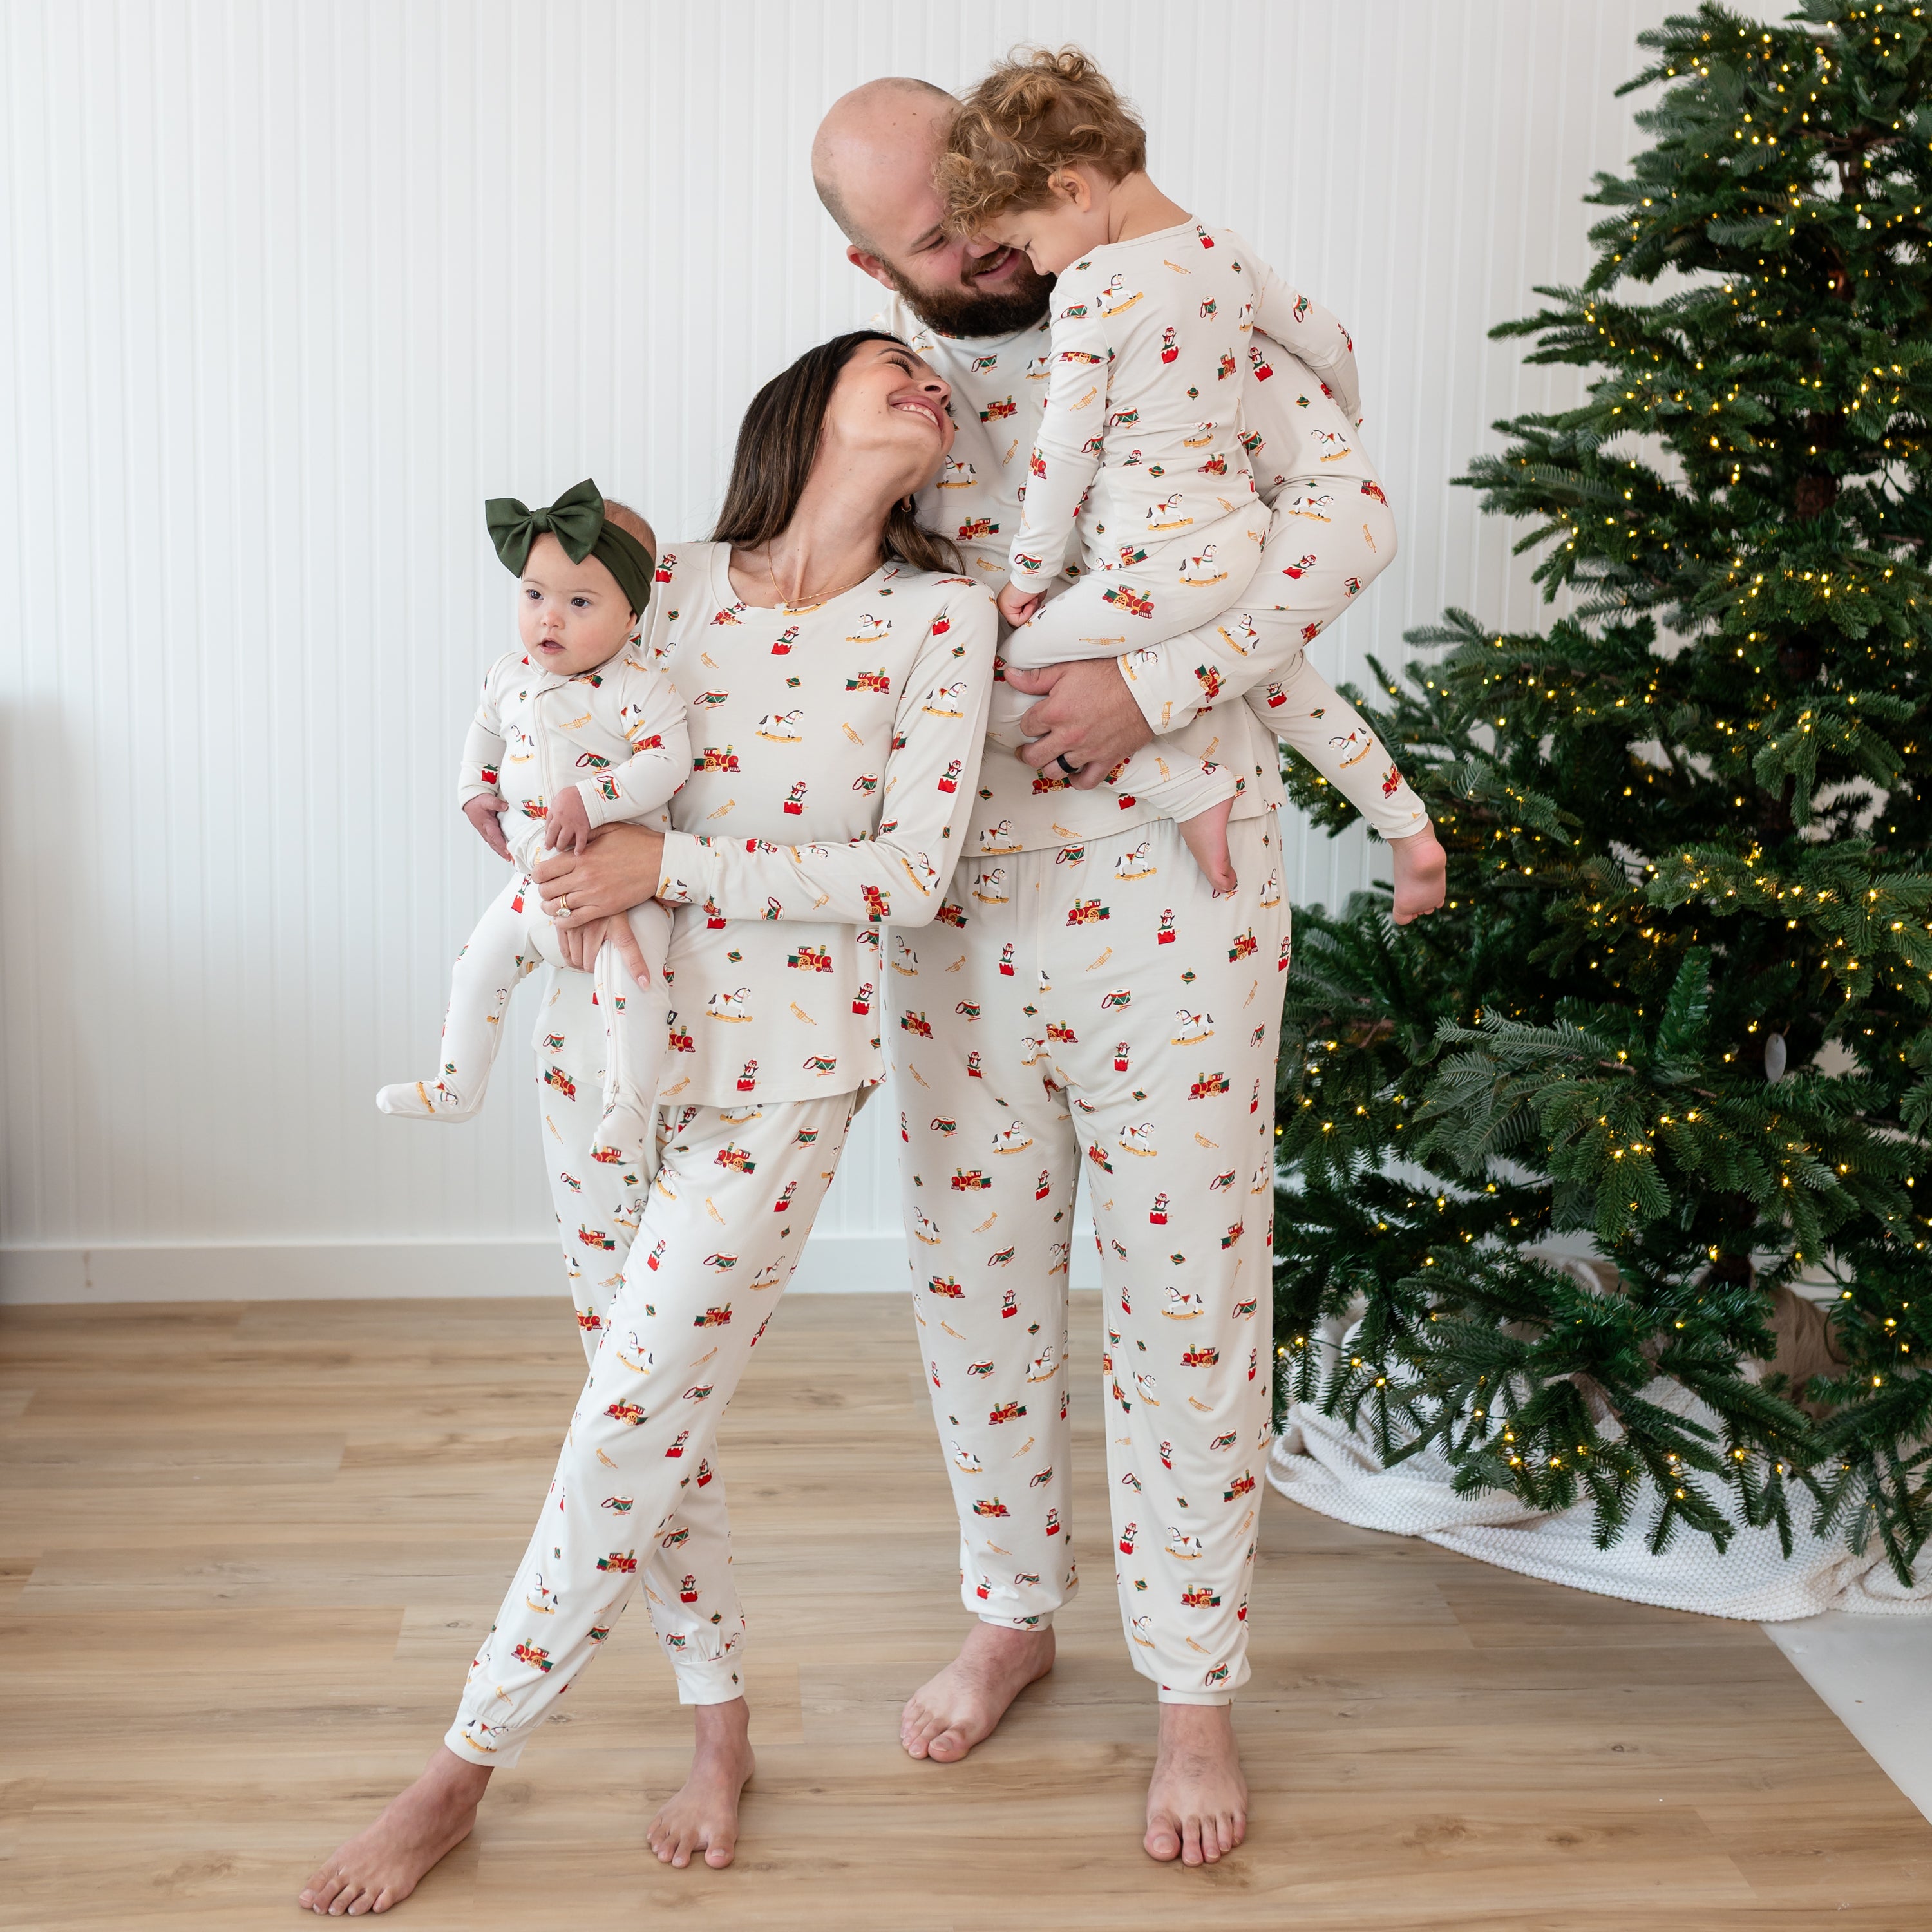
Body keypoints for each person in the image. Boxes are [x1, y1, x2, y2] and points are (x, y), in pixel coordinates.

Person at [811, 72, 1448, 1869]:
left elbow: (1343, 518)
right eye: (939, 237)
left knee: (1189, 1296)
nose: (987, 242)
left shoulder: (1175, 306)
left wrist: (1161, 682)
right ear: (869, 257)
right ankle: (1013, 1611)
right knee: (978, 1283)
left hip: (1183, 883)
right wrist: (553, 751)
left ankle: (1193, 1692)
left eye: (996, 198)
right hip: (957, 917)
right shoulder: (877, 397)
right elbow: (759, 601)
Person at [299, 331, 996, 1915]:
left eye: (938, 384)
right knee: (645, 1407)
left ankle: (459, 1764)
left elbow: (909, 876)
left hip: (785, 1071)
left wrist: (665, 867)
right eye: (893, 362)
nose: (927, 386)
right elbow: (542, 703)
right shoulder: (660, 574)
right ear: (804, 403)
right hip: (596, 1044)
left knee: (625, 1408)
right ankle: (718, 1719)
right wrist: (504, 794)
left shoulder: (941, 619)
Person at [937, 46, 1368, 893]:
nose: (1041, 264)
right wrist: (1345, 422)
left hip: (1156, 566)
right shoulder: (1225, 248)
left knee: (974, 673)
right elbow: (1331, 342)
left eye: (1027, 242)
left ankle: (1185, 789)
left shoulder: (1093, 286)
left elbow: (1068, 450)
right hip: (1240, 543)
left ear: (1072, 188)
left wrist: (1028, 571)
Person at [375, 482, 685, 1168]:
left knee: (631, 982)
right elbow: (484, 733)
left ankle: (630, 1107)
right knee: (476, 967)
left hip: (620, 882)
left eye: (580, 603)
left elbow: (670, 762)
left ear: (632, 617)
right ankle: (458, 1085)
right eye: (535, 595)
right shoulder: (510, 676)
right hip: (532, 875)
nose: (551, 619)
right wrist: (472, 791)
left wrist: (597, 796)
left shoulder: (640, 685)